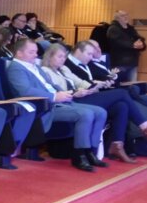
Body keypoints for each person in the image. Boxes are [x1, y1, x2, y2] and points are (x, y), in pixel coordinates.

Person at [7, 38, 107, 172]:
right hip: (45, 106)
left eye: (36, 52)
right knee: (86, 114)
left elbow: (50, 85)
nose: (36, 55)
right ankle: (79, 155)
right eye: (31, 52)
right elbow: (25, 91)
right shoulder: (16, 68)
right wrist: (54, 96)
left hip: (59, 101)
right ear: (19, 53)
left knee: (101, 112)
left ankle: (90, 151)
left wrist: (68, 92)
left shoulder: (34, 66)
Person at [41, 43, 147, 162]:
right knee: (122, 93)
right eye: (59, 57)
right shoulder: (45, 71)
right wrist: (76, 91)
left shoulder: (63, 69)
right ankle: (144, 125)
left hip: (82, 94)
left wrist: (95, 86)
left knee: (121, 106)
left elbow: (80, 82)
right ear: (49, 56)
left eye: (64, 57)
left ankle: (117, 145)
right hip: (70, 99)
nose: (63, 60)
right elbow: (57, 91)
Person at [106, 11, 145, 82]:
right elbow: (119, 42)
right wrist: (133, 45)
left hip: (133, 62)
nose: (126, 17)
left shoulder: (130, 28)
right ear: (117, 18)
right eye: (122, 15)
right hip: (120, 63)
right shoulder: (113, 29)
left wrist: (141, 44)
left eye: (126, 15)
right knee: (118, 84)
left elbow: (139, 38)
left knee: (133, 85)